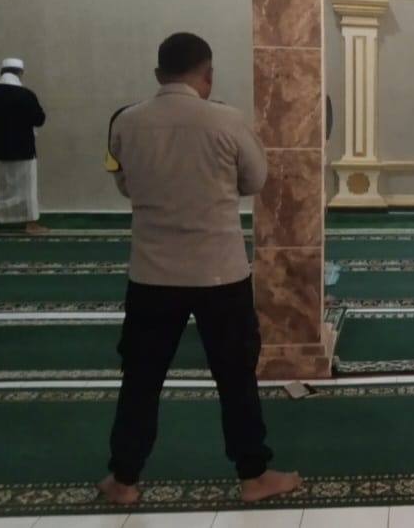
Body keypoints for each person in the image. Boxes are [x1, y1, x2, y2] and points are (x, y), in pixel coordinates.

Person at [98, 32, 300, 505]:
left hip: (152, 275)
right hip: (220, 275)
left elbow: (123, 182)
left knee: (141, 379)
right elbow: (255, 179)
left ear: (158, 74)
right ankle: (254, 476)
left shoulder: (127, 122)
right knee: (235, 378)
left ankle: (123, 480)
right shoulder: (227, 121)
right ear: (207, 75)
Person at [0, 58, 48, 235]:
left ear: (2, 72)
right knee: (27, 189)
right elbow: (39, 119)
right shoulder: (26, 95)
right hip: (24, 149)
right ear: (20, 73)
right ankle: (31, 224)